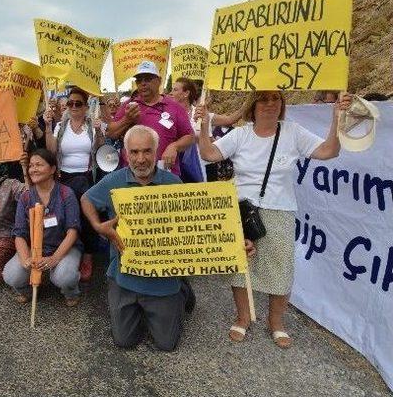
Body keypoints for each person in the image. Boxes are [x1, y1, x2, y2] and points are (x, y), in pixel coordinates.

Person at [195, 90, 350, 348]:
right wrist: (203, 124)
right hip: (243, 210)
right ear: (253, 106)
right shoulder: (241, 134)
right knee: (241, 267)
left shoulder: (292, 132)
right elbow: (209, 154)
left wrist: (337, 117)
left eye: (275, 99)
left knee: (281, 269)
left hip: (280, 209)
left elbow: (328, 151)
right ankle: (243, 317)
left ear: (282, 104)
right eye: (263, 99)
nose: (269, 104)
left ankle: (276, 322)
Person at [81, 125, 197, 351]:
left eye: (147, 151)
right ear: (125, 153)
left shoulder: (174, 184)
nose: (141, 159)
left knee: (166, 344)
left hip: (163, 277)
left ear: (156, 151)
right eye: (134, 152)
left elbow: (195, 226)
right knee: (124, 341)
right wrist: (97, 225)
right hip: (125, 274)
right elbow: (86, 199)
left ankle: (182, 290)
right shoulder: (114, 181)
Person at [3, 148, 83, 307]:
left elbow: (72, 232)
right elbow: (19, 234)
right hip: (36, 248)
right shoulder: (26, 197)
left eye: (39, 165)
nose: (33, 169)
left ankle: (70, 291)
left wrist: (54, 259)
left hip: (64, 248)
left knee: (64, 276)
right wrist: (26, 259)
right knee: (11, 275)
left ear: (53, 169)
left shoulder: (66, 194)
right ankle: (28, 288)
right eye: (31, 165)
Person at [44, 87, 103, 282]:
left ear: (86, 106)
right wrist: (47, 125)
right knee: (68, 216)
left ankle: (87, 255)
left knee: (86, 217)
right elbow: (51, 151)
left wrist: (97, 130)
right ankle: (70, 251)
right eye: (70, 103)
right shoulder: (61, 126)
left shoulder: (92, 125)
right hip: (64, 177)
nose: (74, 106)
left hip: (87, 177)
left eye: (78, 103)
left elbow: (101, 149)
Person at [106, 61, 194, 176]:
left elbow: (189, 137)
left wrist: (174, 146)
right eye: (139, 80)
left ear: (159, 81)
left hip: (165, 175)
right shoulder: (129, 106)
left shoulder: (174, 107)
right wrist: (127, 120)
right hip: (133, 176)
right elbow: (111, 133)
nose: (143, 83)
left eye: (147, 79)